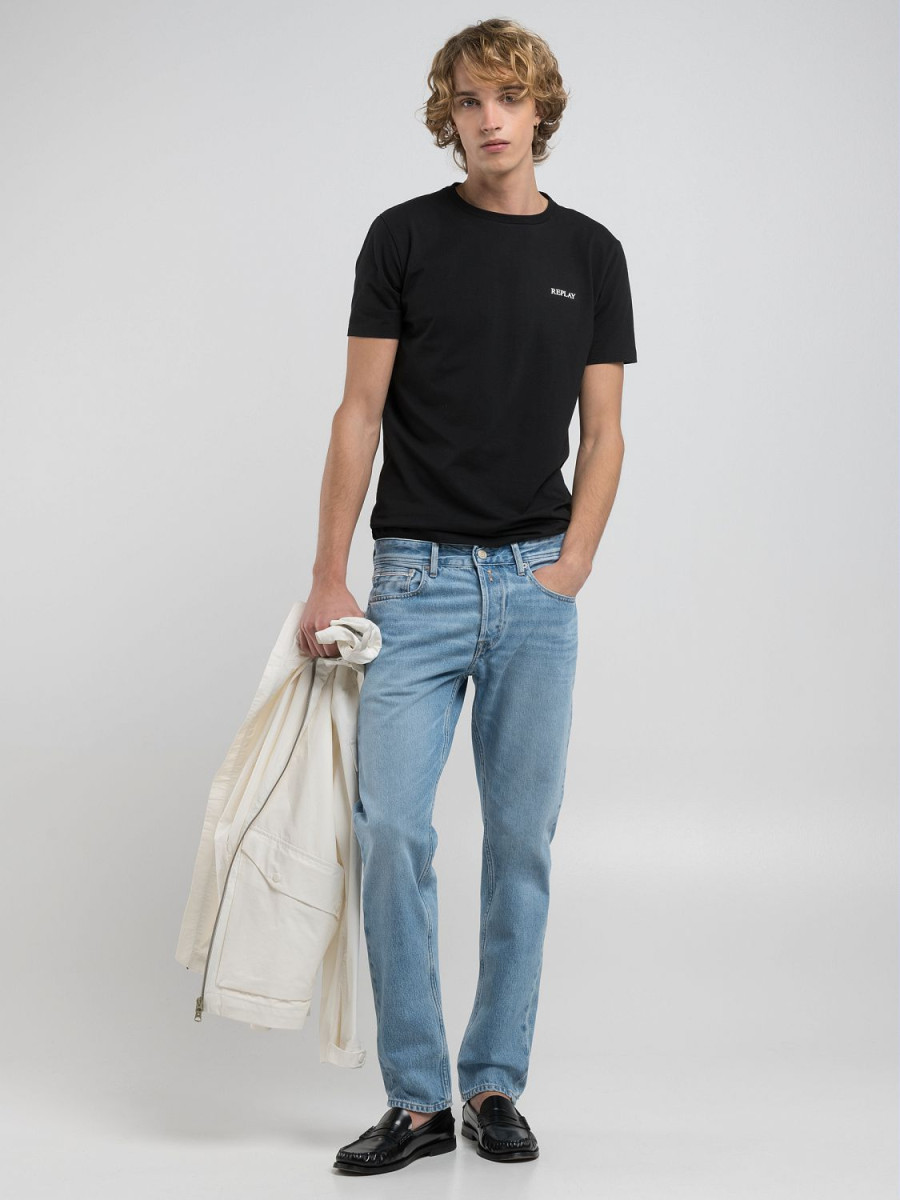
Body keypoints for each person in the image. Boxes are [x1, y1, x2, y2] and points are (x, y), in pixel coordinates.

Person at [295, 17, 637, 1175]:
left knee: (521, 844)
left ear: (541, 109)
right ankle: (416, 1099)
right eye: (469, 100)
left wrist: (573, 564)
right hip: (416, 579)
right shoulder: (403, 237)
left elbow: (605, 431)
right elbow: (359, 411)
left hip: (536, 587)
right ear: (447, 116)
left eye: (509, 97)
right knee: (391, 829)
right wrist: (329, 571)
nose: (491, 119)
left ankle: (492, 1084)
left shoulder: (591, 252)